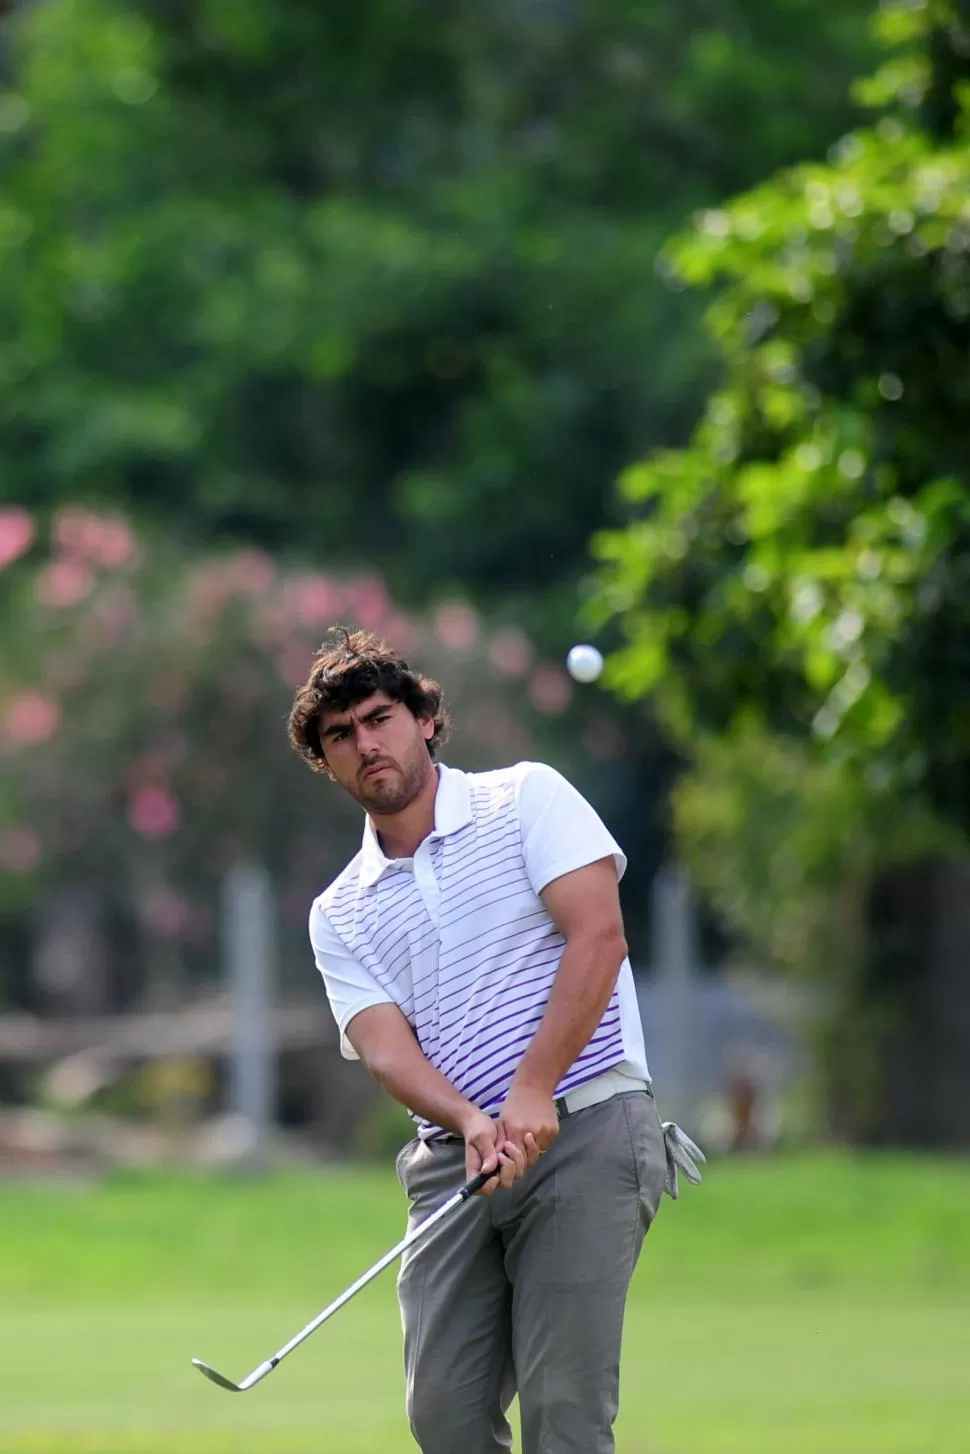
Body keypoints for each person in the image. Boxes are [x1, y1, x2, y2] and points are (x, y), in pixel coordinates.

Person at [288, 627, 701, 1454]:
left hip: (585, 1127)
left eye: (380, 718)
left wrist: (532, 1088)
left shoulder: (526, 799)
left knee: (565, 1416)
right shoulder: (340, 910)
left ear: (424, 720)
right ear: (326, 762)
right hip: (457, 1161)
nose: (367, 743)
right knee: (443, 1413)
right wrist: (475, 1122)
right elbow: (385, 1049)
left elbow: (598, 939)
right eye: (342, 735)